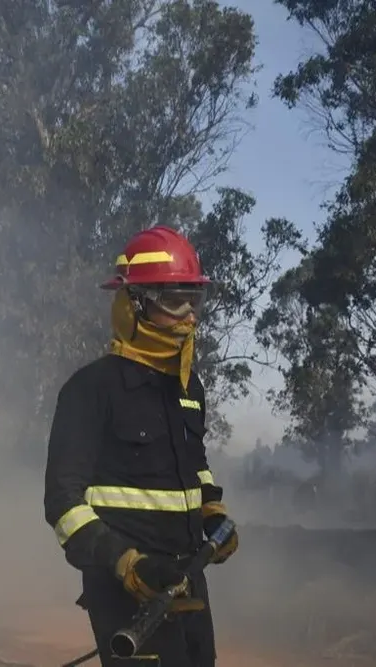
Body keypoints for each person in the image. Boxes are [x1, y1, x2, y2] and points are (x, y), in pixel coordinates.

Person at [43, 225, 239, 667]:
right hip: (126, 589)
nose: (189, 315)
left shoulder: (189, 388)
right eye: (174, 300)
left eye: (195, 300)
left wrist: (213, 513)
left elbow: (195, 464)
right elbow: (63, 503)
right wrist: (126, 564)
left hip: (189, 578)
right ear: (133, 304)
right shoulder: (91, 390)